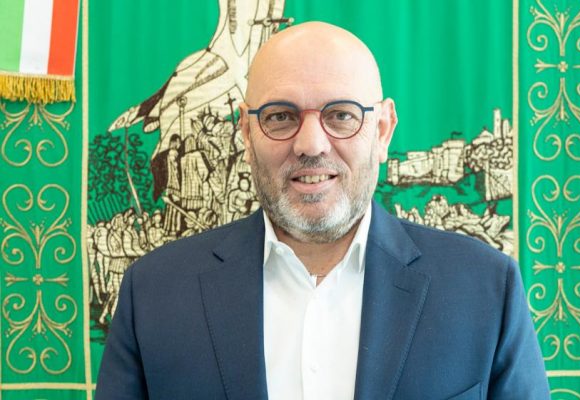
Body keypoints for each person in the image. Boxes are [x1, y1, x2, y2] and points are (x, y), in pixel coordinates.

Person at [96, 22, 550, 399]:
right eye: (280, 116)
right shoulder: (152, 295)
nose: (311, 144)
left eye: (341, 115)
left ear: (383, 130)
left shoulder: (486, 290)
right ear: (246, 134)